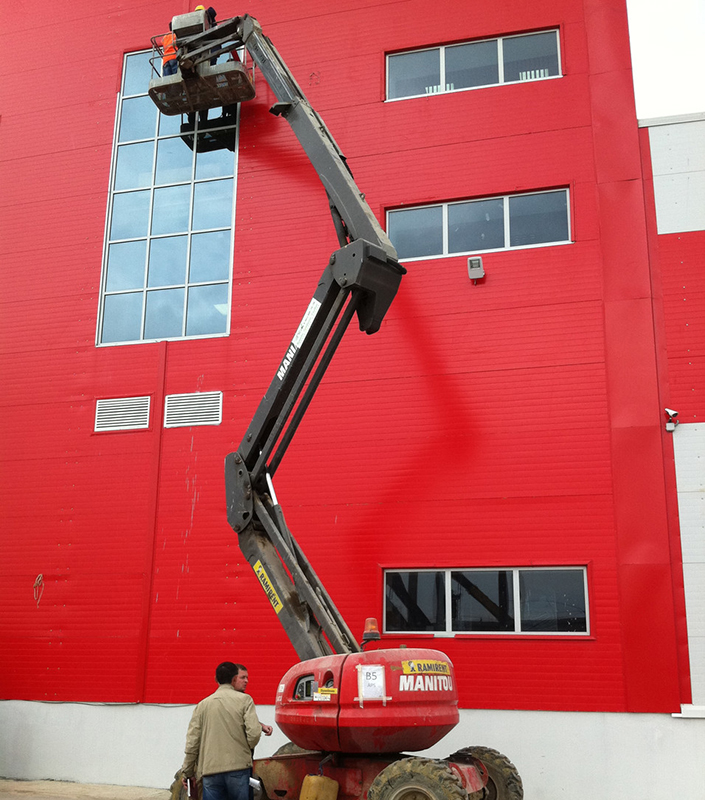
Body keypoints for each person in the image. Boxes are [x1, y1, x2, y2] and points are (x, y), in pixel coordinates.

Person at [182, 662, 273, 800]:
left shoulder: (202, 705)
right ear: (234, 679)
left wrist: (188, 772)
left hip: (210, 771)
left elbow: (192, 743)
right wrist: (244, 749)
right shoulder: (245, 700)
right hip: (239, 769)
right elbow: (254, 733)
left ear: (216, 679)